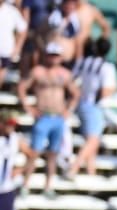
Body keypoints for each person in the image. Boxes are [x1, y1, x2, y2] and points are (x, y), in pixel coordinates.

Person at [17, 41, 77, 195]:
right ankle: (25, 184)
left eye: (56, 55)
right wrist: (28, 107)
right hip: (43, 116)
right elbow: (22, 87)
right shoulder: (38, 72)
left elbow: (75, 94)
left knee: (53, 153)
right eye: (51, 55)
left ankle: (48, 186)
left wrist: (68, 110)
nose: (53, 58)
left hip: (58, 117)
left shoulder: (64, 74)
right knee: (34, 152)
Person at [71, 36, 115, 177]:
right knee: (93, 140)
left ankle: (91, 172)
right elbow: (106, 90)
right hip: (94, 105)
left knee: (92, 142)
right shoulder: (106, 67)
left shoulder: (83, 62)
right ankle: (74, 168)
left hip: (81, 103)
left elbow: (72, 80)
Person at [0, 112, 30, 210]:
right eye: (8, 124)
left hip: (5, 187)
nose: (11, 128)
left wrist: (20, 169)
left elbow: (31, 155)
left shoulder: (15, 139)